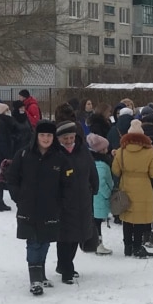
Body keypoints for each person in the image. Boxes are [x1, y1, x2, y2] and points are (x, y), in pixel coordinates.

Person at [6, 121, 68, 296]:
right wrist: (19, 197)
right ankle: (35, 280)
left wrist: (60, 202)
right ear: (36, 136)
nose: (46, 139)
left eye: (49, 135)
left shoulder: (59, 157)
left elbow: (66, 183)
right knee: (33, 242)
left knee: (45, 240)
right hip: (29, 208)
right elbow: (12, 178)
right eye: (42, 135)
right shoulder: (24, 154)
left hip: (51, 208)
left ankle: (41, 274)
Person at [55, 121, 98, 284]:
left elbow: (91, 170)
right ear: (59, 138)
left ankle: (65, 265)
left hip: (83, 199)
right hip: (64, 201)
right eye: (65, 138)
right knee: (65, 237)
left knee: (77, 235)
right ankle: (66, 269)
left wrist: (94, 186)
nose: (68, 140)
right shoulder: (57, 154)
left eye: (71, 137)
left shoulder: (82, 151)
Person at [112, 119, 153, 258]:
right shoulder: (149, 152)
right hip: (143, 188)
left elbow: (115, 170)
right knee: (139, 219)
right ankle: (138, 246)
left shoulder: (121, 151)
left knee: (127, 218)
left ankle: (127, 247)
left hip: (126, 186)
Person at [86, 133, 115, 256]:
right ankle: (98, 245)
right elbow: (102, 183)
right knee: (96, 223)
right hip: (99, 199)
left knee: (93, 222)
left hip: (91, 198)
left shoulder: (89, 161)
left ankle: (91, 243)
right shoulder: (102, 165)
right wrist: (109, 194)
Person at [0, 102, 18, 212]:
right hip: (0, 156)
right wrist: (7, 154)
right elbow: (2, 141)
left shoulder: (3, 122)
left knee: (1, 179)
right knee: (0, 179)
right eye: (6, 110)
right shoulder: (0, 123)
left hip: (1, 155)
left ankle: (0, 201)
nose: (9, 112)